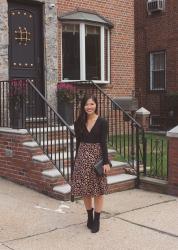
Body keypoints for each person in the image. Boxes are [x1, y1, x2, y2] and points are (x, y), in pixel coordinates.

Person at [71, 95, 111, 233]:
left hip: (97, 158)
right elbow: (78, 143)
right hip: (82, 158)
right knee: (85, 190)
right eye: (87, 104)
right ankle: (89, 217)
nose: (89, 107)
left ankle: (97, 219)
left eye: (92, 104)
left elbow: (104, 143)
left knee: (98, 191)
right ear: (83, 106)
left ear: (96, 105)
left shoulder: (102, 122)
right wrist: (76, 161)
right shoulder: (78, 123)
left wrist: (106, 162)